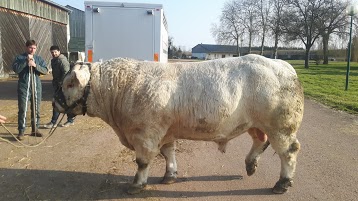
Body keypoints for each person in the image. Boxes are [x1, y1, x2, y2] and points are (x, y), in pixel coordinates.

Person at [12, 39, 48, 140]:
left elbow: (45, 70)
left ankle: (35, 129)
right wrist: (25, 62)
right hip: (24, 86)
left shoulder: (39, 59)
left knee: (36, 109)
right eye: (30, 47)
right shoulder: (19, 58)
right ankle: (21, 131)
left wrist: (35, 65)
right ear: (26, 47)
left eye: (34, 48)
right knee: (23, 109)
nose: (32, 50)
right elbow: (16, 69)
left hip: (36, 86)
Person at [43, 45, 76, 129]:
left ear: (59, 52)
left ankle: (55, 122)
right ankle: (70, 120)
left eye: (55, 52)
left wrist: (62, 84)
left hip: (63, 86)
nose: (54, 53)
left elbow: (66, 73)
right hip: (57, 85)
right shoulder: (54, 60)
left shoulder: (62, 61)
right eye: (52, 52)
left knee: (58, 103)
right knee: (65, 103)